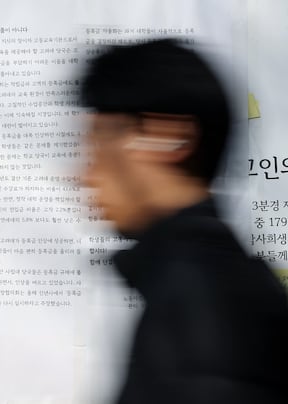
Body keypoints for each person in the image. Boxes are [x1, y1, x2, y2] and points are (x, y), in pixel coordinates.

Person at [79, 39, 288, 404]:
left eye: (100, 143)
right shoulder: (209, 283)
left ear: (169, 137)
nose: (83, 175)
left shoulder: (196, 303)